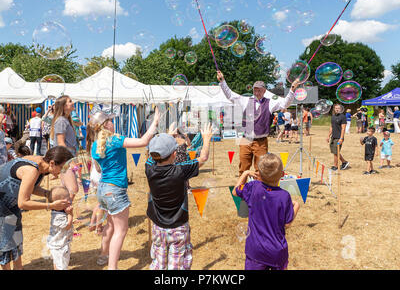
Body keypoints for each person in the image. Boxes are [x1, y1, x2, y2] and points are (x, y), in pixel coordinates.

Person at [86, 108, 160, 270]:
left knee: (111, 225)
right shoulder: (115, 140)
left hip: (103, 189)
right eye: (110, 121)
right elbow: (143, 142)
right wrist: (154, 123)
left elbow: (98, 169)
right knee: (121, 230)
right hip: (115, 190)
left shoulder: (95, 146)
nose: (113, 123)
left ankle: (102, 256)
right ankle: (113, 267)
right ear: (105, 125)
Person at [145, 124, 213, 270]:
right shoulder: (180, 170)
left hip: (158, 227)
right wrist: (206, 139)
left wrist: (167, 137)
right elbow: (203, 157)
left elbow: (152, 156)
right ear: (175, 154)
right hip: (178, 227)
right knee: (177, 264)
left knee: (158, 262)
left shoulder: (149, 168)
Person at [0, 146, 73, 270]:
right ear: (52, 163)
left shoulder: (42, 165)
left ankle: (19, 268)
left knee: (16, 238)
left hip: (10, 204)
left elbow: (30, 187)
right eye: (61, 168)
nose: (62, 172)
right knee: (5, 243)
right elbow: (23, 203)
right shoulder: (32, 170)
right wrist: (50, 205)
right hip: (2, 205)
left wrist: (49, 195)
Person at [217, 70, 299, 176]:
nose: (256, 93)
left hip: (261, 142)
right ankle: (242, 189)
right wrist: (222, 81)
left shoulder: (270, 103)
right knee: (243, 168)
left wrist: (292, 89)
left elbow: (285, 103)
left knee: (260, 170)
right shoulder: (245, 100)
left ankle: (258, 191)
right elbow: (230, 95)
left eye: (259, 90)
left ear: (264, 91)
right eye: (255, 90)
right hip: (245, 140)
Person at [232, 153, 300, 270]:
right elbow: (287, 224)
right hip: (277, 252)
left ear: (259, 175)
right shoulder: (284, 196)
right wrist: (297, 206)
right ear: (282, 175)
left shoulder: (252, 187)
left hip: (255, 251)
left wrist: (245, 173)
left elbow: (235, 191)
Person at [51, 96, 79, 200]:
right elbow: (61, 143)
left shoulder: (66, 120)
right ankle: (64, 211)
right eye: (70, 101)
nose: (73, 103)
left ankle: (65, 214)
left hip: (67, 157)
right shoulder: (61, 121)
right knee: (72, 189)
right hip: (64, 158)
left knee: (67, 189)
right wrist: (70, 161)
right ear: (64, 106)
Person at [46, 186, 74, 270]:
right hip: (59, 246)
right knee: (61, 266)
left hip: (60, 243)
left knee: (58, 264)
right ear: (59, 203)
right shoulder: (58, 216)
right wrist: (70, 214)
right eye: (67, 199)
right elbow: (67, 226)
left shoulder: (59, 212)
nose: (70, 200)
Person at [327, 104, 349, 171]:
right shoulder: (333, 117)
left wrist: (341, 138)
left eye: (338, 108)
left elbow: (343, 128)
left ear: (341, 109)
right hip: (333, 137)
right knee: (335, 152)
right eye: (336, 108)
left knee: (336, 152)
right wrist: (328, 136)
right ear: (334, 109)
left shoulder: (343, 117)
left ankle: (335, 166)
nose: (337, 109)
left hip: (339, 137)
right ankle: (344, 162)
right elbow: (331, 127)